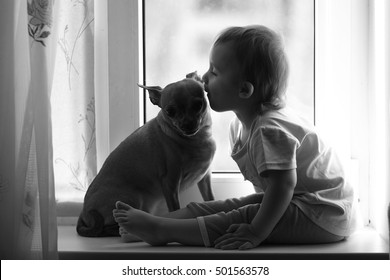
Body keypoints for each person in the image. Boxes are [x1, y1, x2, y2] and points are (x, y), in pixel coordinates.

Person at [113, 25, 356, 250]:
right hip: (305, 205)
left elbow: (282, 187)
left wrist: (256, 232)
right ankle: (158, 220)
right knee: (235, 205)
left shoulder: (268, 130)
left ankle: (161, 230)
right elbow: (272, 190)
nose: (204, 78)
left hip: (322, 213)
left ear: (244, 90)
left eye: (214, 72)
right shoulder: (241, 126)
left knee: (242, 217)